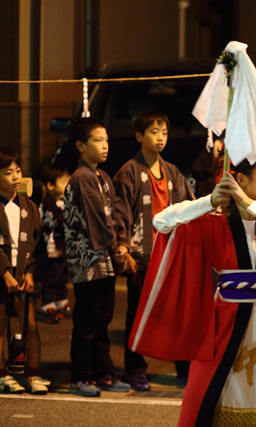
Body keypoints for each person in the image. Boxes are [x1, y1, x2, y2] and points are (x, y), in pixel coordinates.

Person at [128, 153, 256, 427]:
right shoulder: (215, 223)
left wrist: (247, 203)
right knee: (210, 390)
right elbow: (161, 222)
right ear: (241, 180)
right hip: (226, 321)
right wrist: (210, 201)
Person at [114, 110, 191, 391]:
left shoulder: (172, 172)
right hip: (143, 254)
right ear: (139, 136)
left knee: (177, 312)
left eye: (164, 133)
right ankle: (134, 369)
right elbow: (120, 215)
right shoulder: (129, 172)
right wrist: (124, 250)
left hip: (170, 255)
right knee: (138, 313)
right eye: (154, 132)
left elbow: (186, 207)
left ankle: (183, 365)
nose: (160, 138)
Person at [64, 117, 131, 397]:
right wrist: (116, 246)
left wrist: (119, 242)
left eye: (106, 140)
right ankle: (80, 376)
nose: (105, 145)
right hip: (87, 262)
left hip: (103, 260)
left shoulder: (103, 177)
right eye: (98, 140)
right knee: (87, 321)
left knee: (103, 318)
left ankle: (103, 374)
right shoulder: (82, 178)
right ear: (81, 146)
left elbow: (114, 215)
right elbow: (96, 221)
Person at [0, 147, 50, 395]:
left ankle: (34, 374)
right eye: (8, 173)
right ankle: (2, 375)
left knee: (31, 325)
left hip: (24, 277)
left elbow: (38, 242)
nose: (15, 177)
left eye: (17, 171)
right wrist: (4, 273)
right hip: (2, 277)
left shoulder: (30, 207)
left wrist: (30, 273)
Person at [35, 162, 71, 324]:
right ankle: (47, 305)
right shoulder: (48, 203)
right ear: (50, 185)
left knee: (63, 275)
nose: (67, 185)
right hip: (52, 248)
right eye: (63, 182)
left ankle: (61, 301)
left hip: (64, 247)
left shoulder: (66, 201)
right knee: (52, 277)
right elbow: (53, 223)